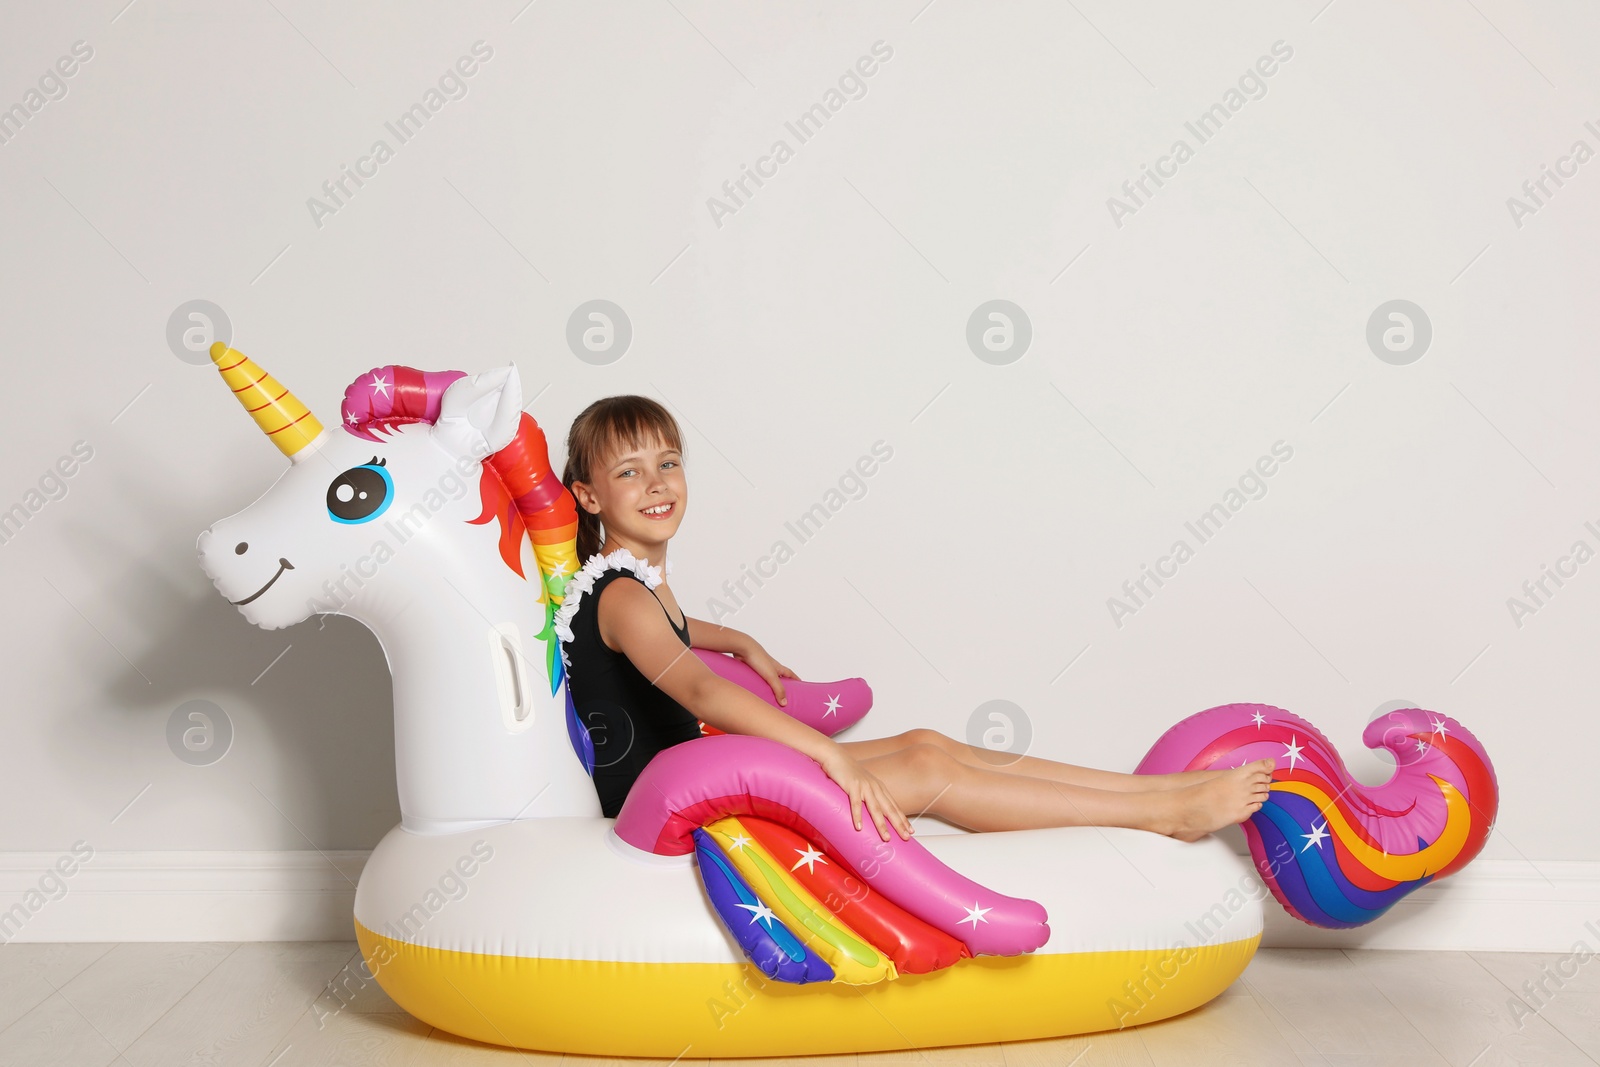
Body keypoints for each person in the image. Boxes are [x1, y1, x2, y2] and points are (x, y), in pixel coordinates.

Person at [558, 395, 1274, 844]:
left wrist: (741, 639)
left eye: (669, 461)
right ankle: (1157, 814)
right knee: (928, 772)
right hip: (671, 794)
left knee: (924, 740)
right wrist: (829, 753)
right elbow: (704, 692)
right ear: (589, 498)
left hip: (701, 769)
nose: (656, 483)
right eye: (628, 472)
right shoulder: (622, 595)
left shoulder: (630, 583)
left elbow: (676, 635)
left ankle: (1155, 790)